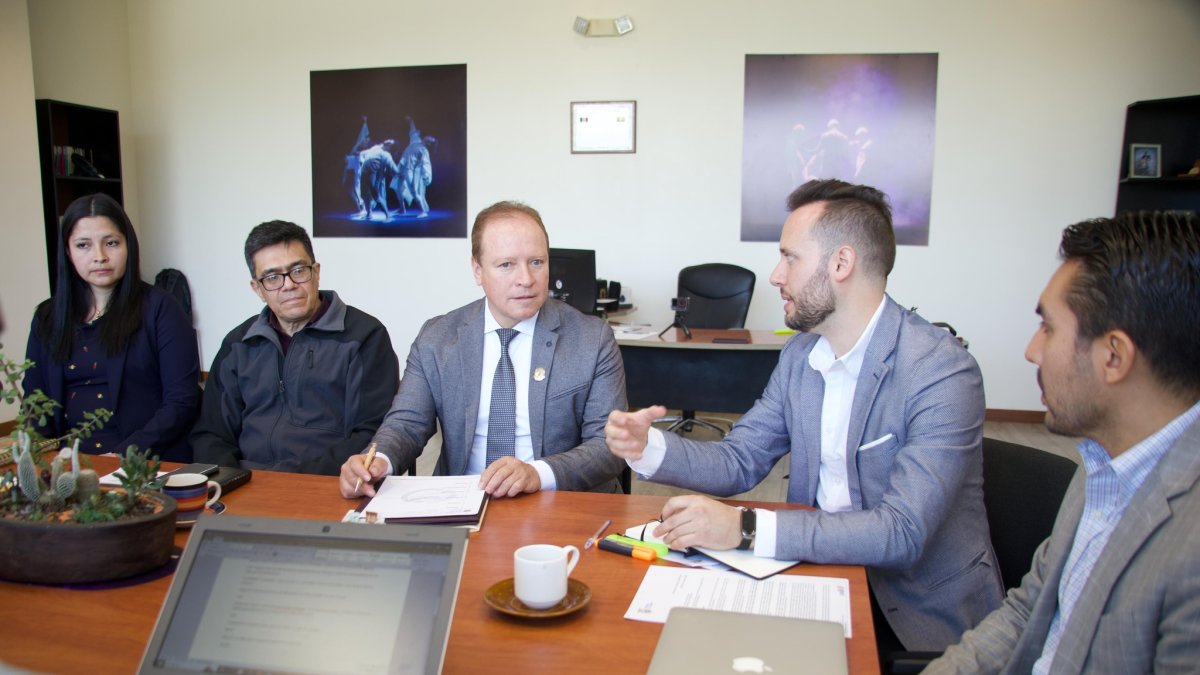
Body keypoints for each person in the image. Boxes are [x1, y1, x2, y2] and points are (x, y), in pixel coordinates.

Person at [606, 179, 1003, 652]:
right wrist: (646, 446)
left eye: (790, 257)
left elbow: (902, 532)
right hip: (819, 575)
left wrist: (746, 527)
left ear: (841, 263)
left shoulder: (940, 370)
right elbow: (742, 458)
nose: (775, 276)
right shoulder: (801, 356)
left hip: (919, 613)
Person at [927, 211, 1200, 673]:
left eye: (1048, 327)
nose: (1033, 350)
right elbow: (1028, 611)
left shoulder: (1188, 550)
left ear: (1113, 356)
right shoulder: (1104, 461)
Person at [338, 200, 627, 498]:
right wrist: (377, 461)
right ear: (477, 270)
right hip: (461, 499)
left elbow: (609, 445)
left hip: (558, 500)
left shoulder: (591, 338)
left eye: (537, 262)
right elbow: (406, 423)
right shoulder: (438, 337)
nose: (526, 279)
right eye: (506, 265)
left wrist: (537, 473)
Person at [191, 220, 399, 474]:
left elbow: (372, 433)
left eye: (298, 270)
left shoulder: (364, 336)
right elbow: (212, 433)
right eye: (272, 277)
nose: (288, 285)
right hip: (245, 482)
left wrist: (293, 483)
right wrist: (231, 480)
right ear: (257, 288)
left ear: (316, 271)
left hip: (327, 483)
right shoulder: (238, 344)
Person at [22, 193, 200, 461]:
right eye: (83, 245)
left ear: (128, 245)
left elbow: (182, 400)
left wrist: (122, 456)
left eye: (111, 243)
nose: (100, 256)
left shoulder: (161, 308)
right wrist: (45, 462)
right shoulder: (47, 317)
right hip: (67, 466)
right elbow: (35, 405)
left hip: (143, 464)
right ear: (68, 252)